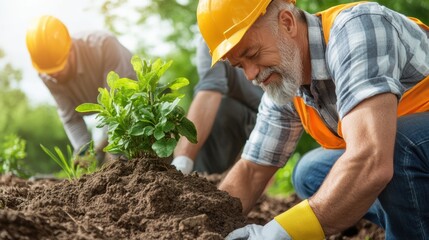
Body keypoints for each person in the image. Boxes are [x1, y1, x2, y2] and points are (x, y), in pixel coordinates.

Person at [197, 0, 429, 239]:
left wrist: (282, 232)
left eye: (253, 54)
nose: (251, 74)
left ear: (286, 23)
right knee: (310, 172)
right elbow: (252, 170)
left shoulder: (357, 29)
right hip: (409, 161)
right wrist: (205, 225)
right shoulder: (285, 81)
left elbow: (370, 157)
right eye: (239, 66)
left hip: (410, 149)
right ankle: (410, 215)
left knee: (394, 146)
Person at [26, 15, 136, 163]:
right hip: (109, 110)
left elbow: (117, 105)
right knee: (102, 163)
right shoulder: (47, 73)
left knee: (126, 158)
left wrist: (112, 148)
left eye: (58, 68)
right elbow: (71, 118)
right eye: (49, 72)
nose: (54, 75)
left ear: (70, 48)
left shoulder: (103, 45)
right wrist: (85, 153)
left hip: (134, 103)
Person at [171, 36, 263, 174]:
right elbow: (209, 92)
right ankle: (199, 178)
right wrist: (182, 162)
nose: (250, 75)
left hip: (263, 123)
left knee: (226, 110)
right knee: (211, 113)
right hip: (235, 123)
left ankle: (224, 182)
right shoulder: (211, 39)